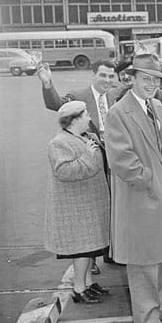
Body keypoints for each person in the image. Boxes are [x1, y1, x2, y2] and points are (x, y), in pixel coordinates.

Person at [105, 54, 162, 323]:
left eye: (155, 79)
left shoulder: (158, 107)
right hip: (141, 197)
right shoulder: (118, 112)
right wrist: (150, 181)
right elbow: (121, 159)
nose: (151, 84)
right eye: (146, 79)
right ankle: (148, 321)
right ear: (132, 79)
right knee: (143, 263)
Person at [37, 59, 119, 273]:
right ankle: (90, 259)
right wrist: (47, 84)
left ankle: (109, 251)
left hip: (114, 156)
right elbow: (57, 104)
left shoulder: (116, 95)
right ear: (93, 74)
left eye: (111, 76)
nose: (107, 80)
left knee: (111, 205)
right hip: (90, 153)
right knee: (90, 211)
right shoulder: (79, 96)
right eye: (103, 75)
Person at [45, 101, 110, 304]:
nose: (89, 118)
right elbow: (64, 172)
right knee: (82, 250)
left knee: (92, 248)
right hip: (76, 208)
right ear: (75, 120)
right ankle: (79, 288)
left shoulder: (85, 137)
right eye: (86, 115)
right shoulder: (59, 142)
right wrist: (88, 156)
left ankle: (89, 283)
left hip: (90, 204)